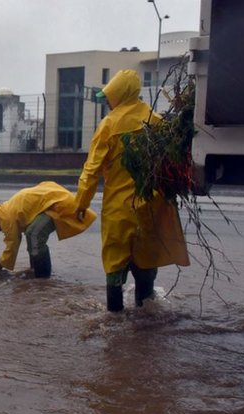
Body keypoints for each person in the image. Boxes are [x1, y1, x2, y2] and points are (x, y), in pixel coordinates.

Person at [73, 69, 189, 311]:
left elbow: (91, 170)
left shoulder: (109, 125)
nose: (107, 101)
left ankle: (113, 319)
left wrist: (81, 204)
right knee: (146, 262)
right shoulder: (155, 122)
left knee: (114, 265)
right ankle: (145, 315)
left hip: (119, 210)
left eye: (109, 96)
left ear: (118, 94)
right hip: (151, 205)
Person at [0, 181, 96, 278]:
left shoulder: (5, 217)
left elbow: (12, 244)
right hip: (53, 202)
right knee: (32, 235)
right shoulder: (5, 210)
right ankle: (35, 270)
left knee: (34, 234)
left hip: (57, 204)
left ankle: (42, 276)